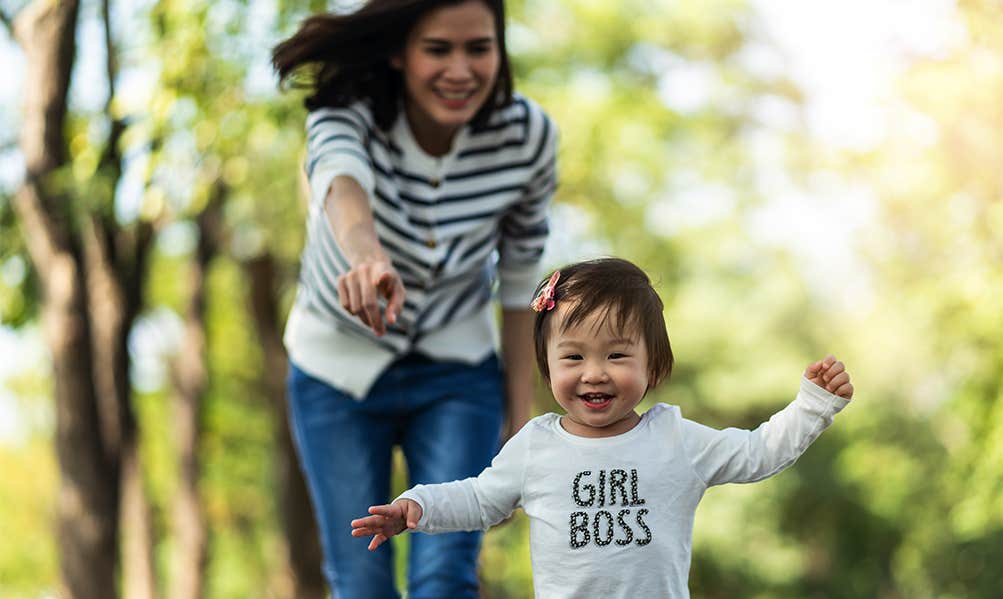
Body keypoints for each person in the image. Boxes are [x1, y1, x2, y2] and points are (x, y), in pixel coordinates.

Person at [350, 257, 855, 598]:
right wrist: (417, 507)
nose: (594, 372)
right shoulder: (536, 446)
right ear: (548, 369)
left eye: (616, 354)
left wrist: (813, 405)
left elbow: (758, 453)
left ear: (653, 367)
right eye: (573, 357)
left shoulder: (675, 439)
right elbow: (481, 499)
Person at [271, 0, 557, 596]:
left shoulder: (526, 138)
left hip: (458, 371)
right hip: (335, 373)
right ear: (401, 52)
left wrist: (519, 417)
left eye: (478, 48)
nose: (460, 70)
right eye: (438, 49)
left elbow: (520, 276)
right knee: (361, 578)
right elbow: (341, 181)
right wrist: (366, 255)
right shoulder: (344, 113)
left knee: (444, 570)